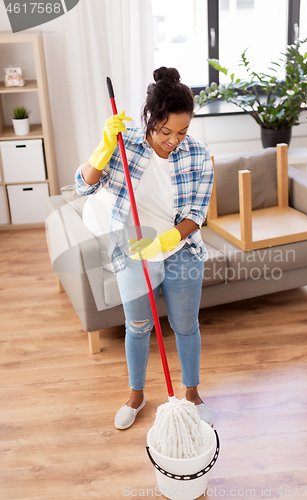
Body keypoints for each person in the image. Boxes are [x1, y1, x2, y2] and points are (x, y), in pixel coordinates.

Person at [75, 67, 214, 430]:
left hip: (180, 251)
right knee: (137, 326)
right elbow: (83, 186)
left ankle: (193, 394)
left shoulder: (197, 154)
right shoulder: (125, 145)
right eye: (165, 131)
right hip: (135, 253)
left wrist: (168, 239)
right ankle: (136, 395)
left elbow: (197, 214)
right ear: (149, 121)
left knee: (186, 326)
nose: (174, 140)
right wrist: (103, 148)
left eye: (182, 131)